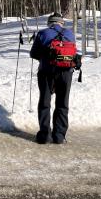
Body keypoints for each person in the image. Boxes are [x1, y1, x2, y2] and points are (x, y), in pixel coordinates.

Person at [29, 12, 81, 144]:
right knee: (63, 104)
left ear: (49, 22)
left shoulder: (43, 33)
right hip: (66, 73)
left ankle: (44, 136)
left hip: (47, 72)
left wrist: (45, 57)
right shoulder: (70, 34)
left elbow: (33, 53)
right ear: (61, 23)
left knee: (45, 102)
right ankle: (59, 136)